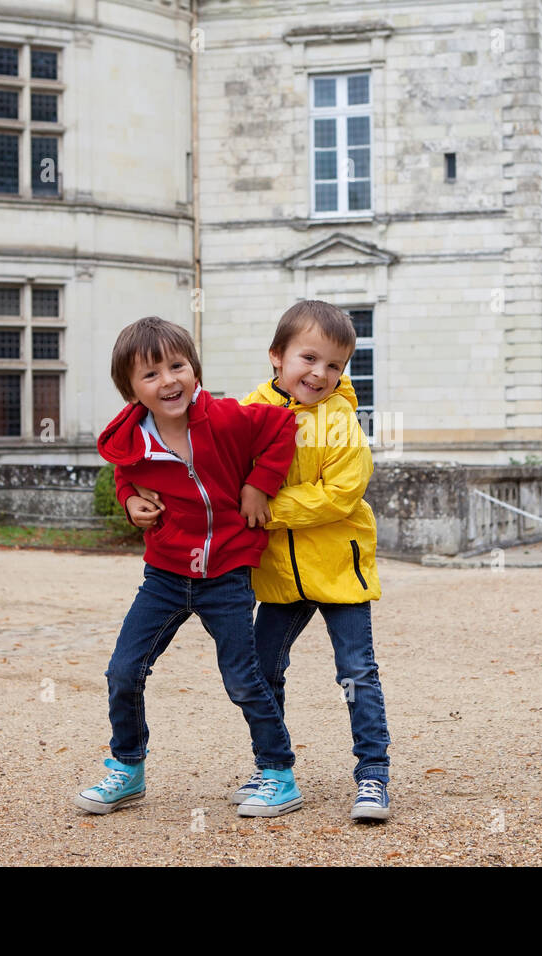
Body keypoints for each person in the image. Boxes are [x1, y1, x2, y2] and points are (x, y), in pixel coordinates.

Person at [126, 301, 392, 822]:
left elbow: (341, 494)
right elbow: (205, 458)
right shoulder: (248, 408)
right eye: (309, 358)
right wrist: (140, 495)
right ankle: (273, 770)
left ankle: (373, 776)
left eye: (335, 365)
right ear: (277, 356)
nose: (320, 373)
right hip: (277, 577)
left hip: (339, 571)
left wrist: (265, 507)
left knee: (356, 672)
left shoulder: (341, 422)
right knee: (263, 670)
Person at [73, 316, 304, 818]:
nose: (169, 381)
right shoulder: (133, 439)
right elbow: (126, 476)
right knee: (124, 670)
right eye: (151, 375)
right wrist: (131, 500)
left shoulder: (225, 417)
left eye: (177, 366)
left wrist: (258, 485)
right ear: (131, 390)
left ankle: (278, 773)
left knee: (243, 676)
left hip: (226, 572)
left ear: (194, 369)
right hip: (166, 574)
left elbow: (283, 426)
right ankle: (127, 768)